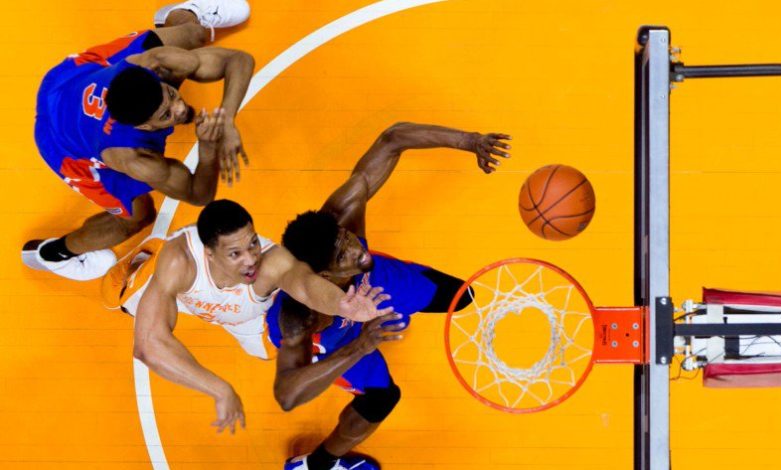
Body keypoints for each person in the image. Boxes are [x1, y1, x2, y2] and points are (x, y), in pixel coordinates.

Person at [269, 122, 511, 469]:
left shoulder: (342, 219)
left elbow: (392, 138)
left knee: (463, 296)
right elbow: (288, 395)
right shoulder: (297, 317)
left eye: (347, 239)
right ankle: (317, 465)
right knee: (382, 399)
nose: (355, 249)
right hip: (339, 341)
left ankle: (386, 314)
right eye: (343, 256)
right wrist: (362, 345)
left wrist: (471, 141)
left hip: (376, 284)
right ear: (323, 275)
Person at [100, 199, 393, 434]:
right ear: (210, 254)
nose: (251, 258)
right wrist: (221, 390)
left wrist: (344, 305)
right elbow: (149, 346)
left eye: (252, 242)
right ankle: (144, 265)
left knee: (268, 352)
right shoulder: (181, 262)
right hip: (187, 292)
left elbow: (304, 285)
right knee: (128, 302)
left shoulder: (271, 261)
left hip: (248, 317)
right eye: (235, 253)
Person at [22, 0, 255, 281]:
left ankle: (180, 13)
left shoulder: (154, 63)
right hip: (61, 144)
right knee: (138, 217)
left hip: (66, 79)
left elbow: (239, 60)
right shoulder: (135, 158)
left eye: (171, 94)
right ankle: (55, 254)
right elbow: (198, 194)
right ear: (145, 126)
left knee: (193, 35)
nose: (180, 108)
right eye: (167, 114)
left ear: (155, 77)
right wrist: (208, 152)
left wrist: (227, 119)